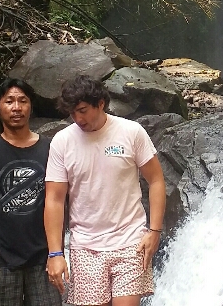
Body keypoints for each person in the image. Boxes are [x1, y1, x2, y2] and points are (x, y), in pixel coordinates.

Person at [44, 75, 166, 306]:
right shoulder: (62, 141)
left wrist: (155, 231)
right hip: (85, 246)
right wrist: (55, 253)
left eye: (82, 110)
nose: (78, 119)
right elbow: (54, 199)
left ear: (100, 103)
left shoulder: (131, 132)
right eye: (72, 113)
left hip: (131, 241)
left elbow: (157, 180)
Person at [0, 78, 61, 306]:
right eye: (9, 101)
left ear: (31, 106)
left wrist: (57, 253)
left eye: (22, 101)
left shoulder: (51, 149)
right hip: (1, 258)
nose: (16, 107)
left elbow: (60, 199)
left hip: (43, 257)